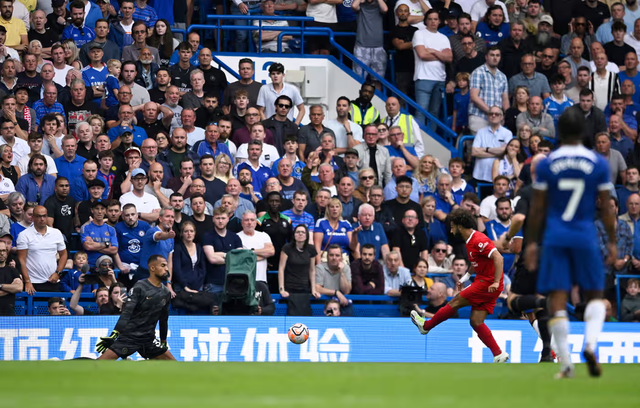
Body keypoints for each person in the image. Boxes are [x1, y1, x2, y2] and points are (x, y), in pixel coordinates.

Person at [525, 108, 617, 378]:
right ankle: (590, 345)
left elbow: (538, 209)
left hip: (555, 236)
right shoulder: (598, 163)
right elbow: (608, 208)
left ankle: (565, 363)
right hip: (585, 235)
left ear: (560, 132)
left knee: (556, 297)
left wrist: (531, 243)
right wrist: (611, 241)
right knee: (595, 295)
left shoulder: (547, 164)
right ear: (585, 132)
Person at [410, 208, 510, 363]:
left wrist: (496, 281)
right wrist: (464, 278)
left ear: (459, 224)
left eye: (452, 225)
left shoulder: (478, 239)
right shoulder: (469, 242)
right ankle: (498, 354)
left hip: (487, 283)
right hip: (486, 283)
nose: (450, 228)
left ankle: (426, 326)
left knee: (455, 301)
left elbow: (498, 258)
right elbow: (475, 264)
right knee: (476, 321)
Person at [96, 254, 175, 360]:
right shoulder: (140, 287)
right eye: (163, 265)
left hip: (149, 340)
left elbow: (164, 319)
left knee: (173, 365)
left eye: (166, 266)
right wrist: (114, 334)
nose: (166, 268)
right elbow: (127, 312)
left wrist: (163, 342)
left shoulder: (165, 292)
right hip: (130, 336)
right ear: (152, 268)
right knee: (99, 364)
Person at [413, 9, 452, 127]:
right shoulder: (419, 33)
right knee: (421, 111)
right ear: (426, 21)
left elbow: (449, 58)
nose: (433, 22)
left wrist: (433, 51)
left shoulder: (444, 37)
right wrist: (441, 55)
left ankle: (431, 143)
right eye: (430, 19)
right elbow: (422, 55)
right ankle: (419, 140)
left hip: (440, 79)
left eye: (435, 19)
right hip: (423, 77)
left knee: (434, 113)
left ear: (439, 21)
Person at [16, 205, 67, 295]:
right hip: (33, 283)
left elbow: (63, 254)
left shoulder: (56, 233)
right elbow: (21, 259)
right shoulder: (24, 235)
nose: (42, 219)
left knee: (55, 308)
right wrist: (27, 281)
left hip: (53, 281)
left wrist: (58, 273)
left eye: (44, 216)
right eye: (39, 216)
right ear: (33, 217)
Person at [278, 224, 320, 316]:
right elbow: (281, 269)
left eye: (303, 232)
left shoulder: (311, 249)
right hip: (289, 289)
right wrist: (282, 289)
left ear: (307, 235)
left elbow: (312, 270)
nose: (300, 234)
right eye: (298, 232)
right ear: (294, 234)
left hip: (304, 288)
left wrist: (313, 290)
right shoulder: (287, 248)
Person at [314, 243, 352, 308]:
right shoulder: (320, 268)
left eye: (337, 255)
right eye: (331, 255)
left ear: (341, 258)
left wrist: (342, 272)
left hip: (341, 304)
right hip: (323, 303)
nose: (334, 258)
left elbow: (346, 291)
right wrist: (336, 292)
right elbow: (317, 289)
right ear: (327, 256)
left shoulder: (346, 268)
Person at [0, 240, 22, 315]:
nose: (2, 253)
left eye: (3, 251)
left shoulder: (12, 270)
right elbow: (15, 288)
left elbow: (19, 288)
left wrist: (1, 286)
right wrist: (11, 289)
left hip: (9, 314)